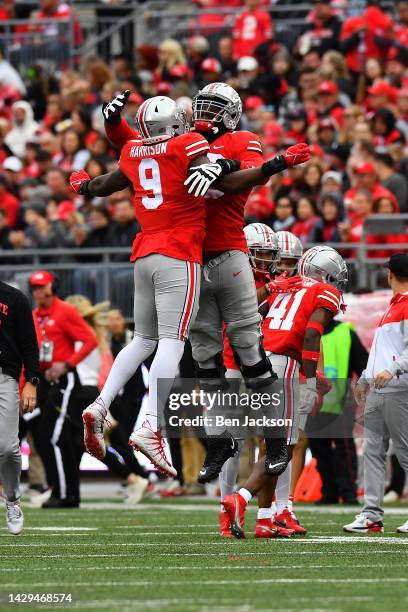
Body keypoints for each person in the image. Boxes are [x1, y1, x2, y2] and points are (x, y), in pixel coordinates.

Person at [91, 86, 311, 484]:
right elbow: (130, 150)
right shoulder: (179, 141)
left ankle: (276, 440)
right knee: (205, 360)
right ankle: (219, 443)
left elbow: (244, 177)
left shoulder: (240, 139)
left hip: (227, 254)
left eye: (217, 107)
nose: (206, 113)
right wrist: (111, 123)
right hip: (186, 261)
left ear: (233, 115)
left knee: (249, 350)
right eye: (202, 105)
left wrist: (226, 165)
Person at [222, 246, 348, 539]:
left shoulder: (286, 286)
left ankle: (265, 519)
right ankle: (239, 498)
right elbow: (312, 333)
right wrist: (311, 378)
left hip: (260, 364)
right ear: (324, 273)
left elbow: (245, 312)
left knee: (272, 445)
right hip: (285, 366)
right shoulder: (323, 291)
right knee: (283, 448)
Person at [344, 254, 408, 534]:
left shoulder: (404, 306)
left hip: (399, 388)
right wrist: (366, 379)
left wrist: (393, 369)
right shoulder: (393, 306)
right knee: (373, 451)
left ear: (390, 275)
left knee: (405, 451)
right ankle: (371, 515)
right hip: (381, 388)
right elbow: (380, 353)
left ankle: (372, 513)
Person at [30, 270, 98, 508]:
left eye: (42, 287)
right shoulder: (34, 316)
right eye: (34, 288)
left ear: (53, 287)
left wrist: (68, 364)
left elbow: (91, 340)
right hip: (42, 381)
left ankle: (60, 492)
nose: (38, 292)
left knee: (53, 437)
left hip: (64, 382)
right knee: (53, 438)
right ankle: (68, 493)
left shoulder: (65, 311)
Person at [307, 321, 368, 504]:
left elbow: (362, 362)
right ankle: (329, 491)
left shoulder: (345, 332)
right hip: (312, 401)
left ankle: (349, 492)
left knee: (344, 448)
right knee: (319, 449)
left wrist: (362, 386)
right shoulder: (306, 331)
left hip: (341, 401)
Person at [0, 279, 39, 534]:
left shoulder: (14, 298)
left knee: (7, 448)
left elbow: (29, 343)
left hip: (4, 376)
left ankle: (12, 499)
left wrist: (31, 382)